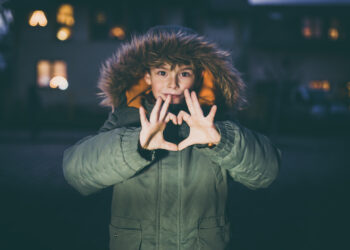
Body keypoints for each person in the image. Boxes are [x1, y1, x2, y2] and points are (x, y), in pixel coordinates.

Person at [62, 25, 281, 250]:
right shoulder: (126, 117)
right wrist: (136, 144)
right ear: (147, 76)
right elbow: (76, 172)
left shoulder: (214, 119)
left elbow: (267, 172)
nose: (173, 84)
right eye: (162, 72)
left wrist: (220, 140)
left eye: (184, 73)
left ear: (197, 77)